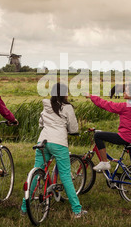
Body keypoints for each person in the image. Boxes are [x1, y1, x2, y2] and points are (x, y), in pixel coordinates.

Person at [21, 83, 87, 218]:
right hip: (58, 143)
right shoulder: (67, 107)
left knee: (37, 173)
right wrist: (70, 131)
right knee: (65, 176)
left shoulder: (46, 106)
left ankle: (24, 208)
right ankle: (76, 210)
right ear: (64, 94)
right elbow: (73, 128)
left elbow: (41, 123)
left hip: (43, 142)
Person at [85, 82, 131, 171]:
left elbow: (106, 105)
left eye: (126, 91)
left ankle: (104, 162)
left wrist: (92, 97)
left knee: (98, 136)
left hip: (125, 137)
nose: (123, 92)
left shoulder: (125, 106)